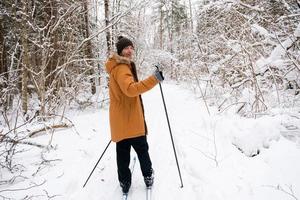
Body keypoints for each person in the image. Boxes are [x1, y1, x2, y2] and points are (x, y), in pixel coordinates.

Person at [105, 36, 164, 194]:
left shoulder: (116, 67)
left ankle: (125, 182)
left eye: (131, 47)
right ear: (120, 51)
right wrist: (154, 79)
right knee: (142, 150)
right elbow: (131, 90)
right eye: (126, 48)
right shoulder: (122, 68)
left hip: (120, 119)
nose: (129, 50)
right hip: (131, 119)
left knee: (122, 153)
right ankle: (148, 176)